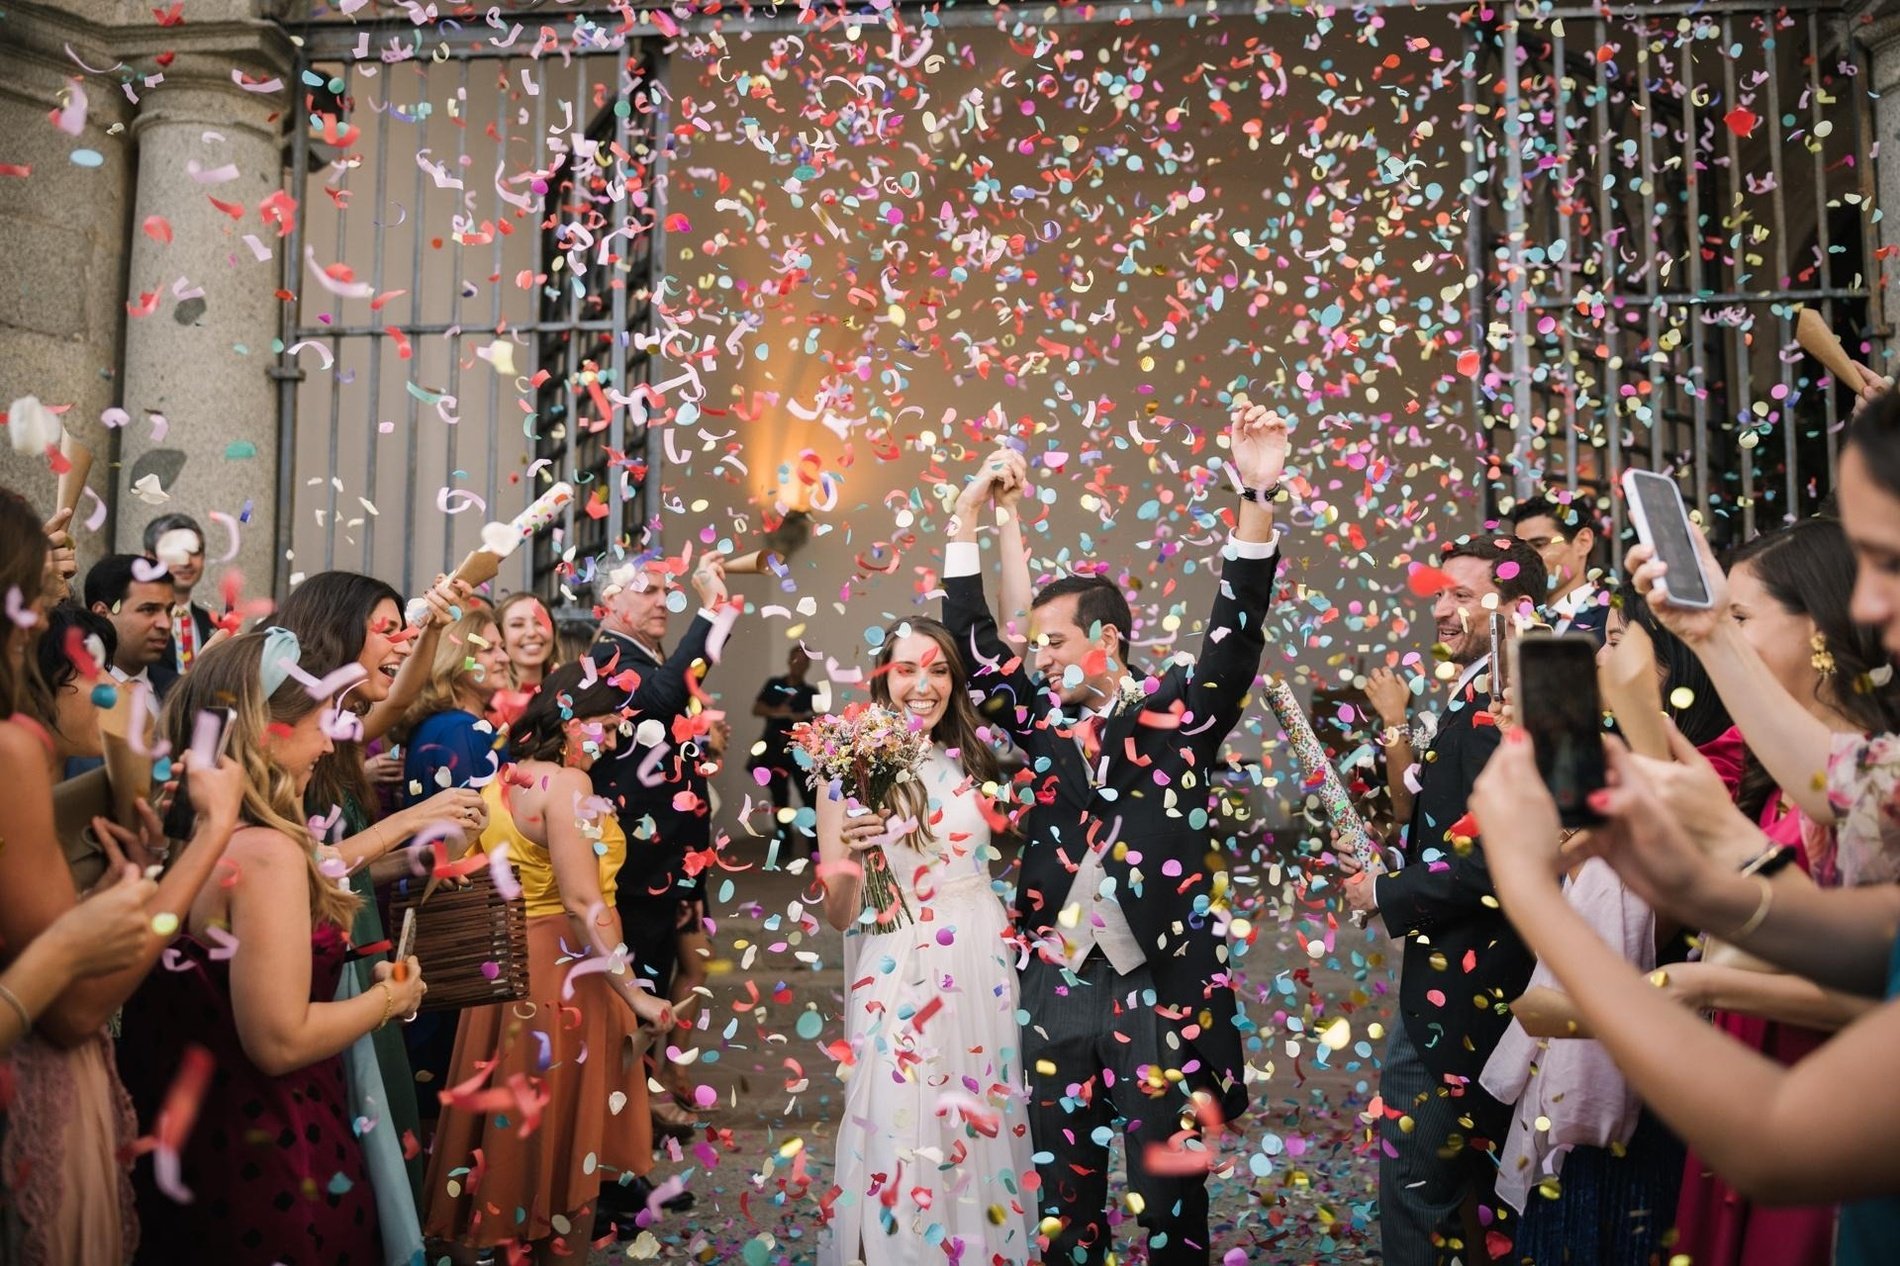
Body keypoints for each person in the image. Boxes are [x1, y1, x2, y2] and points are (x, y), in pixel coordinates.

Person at [942, 401, 1287, 1265]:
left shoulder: (1180, 714)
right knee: (1064, 1200)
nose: (1042, 659)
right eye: (1038, 646)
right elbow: (975, 649)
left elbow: (1235, 632)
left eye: (1054, 644)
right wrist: (964, 520)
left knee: (1171, 1200)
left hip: (1159, 991)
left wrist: (1254, 492)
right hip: (1059, 987)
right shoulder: (1047, 728)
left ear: (1106, 640)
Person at [118, 630, 427, 1266]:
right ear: (268, 728)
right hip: (277, 1153)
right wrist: (391, 998)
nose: (331, 736)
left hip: (195, 1143)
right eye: (320, 717)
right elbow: (279, 1041)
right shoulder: (265, 853)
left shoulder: (189, 835)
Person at [0, 485, 245, 1266]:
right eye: (45, 607)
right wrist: (207, 836)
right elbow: (70, 1010)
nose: (53, 635)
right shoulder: (13, 751)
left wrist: (121, 879)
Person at [1474, 586, 1731, 1263]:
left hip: (1640, 1096)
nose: (1597, 658)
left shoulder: (1698, 795)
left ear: (1672, 671)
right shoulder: (1636, 780)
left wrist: (1526, 875)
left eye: (1616, 641)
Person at [423, 658, 684, 1259]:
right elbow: (581, 900)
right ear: (571, 722)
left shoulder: (501, 782)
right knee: (567, 1151)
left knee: (514, 1145)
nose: (615, 740)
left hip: (508, 972)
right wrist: (635, 993)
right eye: (607, 726)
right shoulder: (568, 786)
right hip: (569, 977)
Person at [1336, 533, 1548, 1266]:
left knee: (1418, 1185)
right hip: (1452, 980)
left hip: (1468, 991)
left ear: (1516, 608)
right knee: (1458, 1192)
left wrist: (1383, 890)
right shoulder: (1475, 697)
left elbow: (1495, 858)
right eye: (1440, 596)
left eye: (1463, 595)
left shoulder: (1504, 705)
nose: (1443, 611)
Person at [814, 619, 1035, 1264]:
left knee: (977, 1127)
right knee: (898, 1123)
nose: (924, 685)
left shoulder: (971, 755)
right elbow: (838, 913)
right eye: (908, 669)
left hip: (980, 959)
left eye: (938, 671)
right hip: (902, 964)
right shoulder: (847, 766)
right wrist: (850, 863)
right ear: (884, 677)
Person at [276, 569, 484, 1249]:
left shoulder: (331, 733)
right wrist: (410, 821)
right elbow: (299, 867)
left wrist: (408, 861)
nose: (399, 641)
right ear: (336, 632)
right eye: (385, 627)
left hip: (358, 953)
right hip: (315, 971)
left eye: (403, 626)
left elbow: (391, 699)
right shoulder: (289, 739)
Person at [589, 552, 737, 1137]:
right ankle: (624, 1140)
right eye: (648, 591)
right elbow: (659, 701)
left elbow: (651, 740)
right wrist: (710, 609)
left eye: (665, 591)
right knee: (636, 1003)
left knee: (660, 990)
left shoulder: (641, 655)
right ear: (610, 604)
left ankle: (636, 1131)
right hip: (637, 869)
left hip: (668, 864)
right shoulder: (608, 655)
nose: (660, 600)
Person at [392, 609, 510, 797]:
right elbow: (470, 819)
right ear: (457, 658)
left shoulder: (447, 724)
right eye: (489, 649)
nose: (505, 658)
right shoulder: (462, 731)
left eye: (502, 647)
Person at [1511, 491, 1608, 642]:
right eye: (1520, 549)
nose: (1525, 559)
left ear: (1583, 542)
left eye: (1539, 545)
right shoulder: (1517, 622)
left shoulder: (1613, 617)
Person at [749, 646, 818, 854]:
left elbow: (817, 719)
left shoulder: (810, 692)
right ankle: (783, 847)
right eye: (796, 660)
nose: (799, 664)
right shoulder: (773, 685)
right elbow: (756, 709)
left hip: (800, 752)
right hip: (774, 750)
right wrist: (779, 712)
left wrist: (802, 720)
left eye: (803, 661)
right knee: (780, 800)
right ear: (789, 661)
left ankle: (814, 846)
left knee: (809, 799)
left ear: (808, 665)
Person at [83, 553, 178, 699]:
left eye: (169, 610)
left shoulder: (178, 689)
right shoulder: (72, 690)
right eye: (149, 609)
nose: (165, 624)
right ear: (102, 614)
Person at [143, 511, 218, 676]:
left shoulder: (215, 625)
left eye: (194, 552)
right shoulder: (137, 619)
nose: (187, 562)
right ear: (150, 557)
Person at [495, 591, 557, 692]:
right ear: (499, 634)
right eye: (517, 624)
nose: (531, 633)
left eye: (540, 623)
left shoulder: (572, 690)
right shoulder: (484, 696)